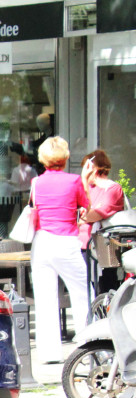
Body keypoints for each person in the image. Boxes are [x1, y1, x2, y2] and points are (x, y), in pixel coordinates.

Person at [29, 136, 92, 363]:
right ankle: (89, 347)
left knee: (44, 298)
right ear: (65, 158)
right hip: (66, 240)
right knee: (82, 293)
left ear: (43, 159)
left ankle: (49, 353)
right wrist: (84, 180)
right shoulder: (74, 181)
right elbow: (86, 205)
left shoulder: (36, 182)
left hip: (42, 240)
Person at [82, 148, 128, 294]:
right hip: (82, 245)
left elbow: (94, 215)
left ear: (93, 169)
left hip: (104, 248)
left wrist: (84, 216)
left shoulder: (112, 189)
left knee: (105, 288)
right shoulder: (88, 188)